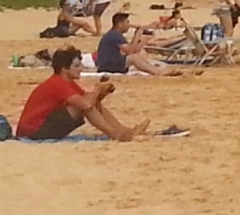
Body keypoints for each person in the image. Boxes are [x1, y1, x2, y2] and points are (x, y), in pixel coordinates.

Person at [16, 47, 149, 141]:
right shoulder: (58, 83)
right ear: (64, 69)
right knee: (85, 105)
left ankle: (123, 131)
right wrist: (97, 90)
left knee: (90, 101)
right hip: (33, 132)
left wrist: (102, 92)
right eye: (77, 66)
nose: (81, 69)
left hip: (41, 127)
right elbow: (86, 105)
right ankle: (116, 134)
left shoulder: (64, 82)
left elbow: (91, 101)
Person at [94, 11, 175, 77]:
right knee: (134, 58)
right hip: (108, 65)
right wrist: (137, 34)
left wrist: (143, 40)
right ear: (120, 24)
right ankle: (157, 72)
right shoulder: (115, 35)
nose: (129, 25)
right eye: (127, 22)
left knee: (137, 56)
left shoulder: (114, 34)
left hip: (108, 63)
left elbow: (134, 50)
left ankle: (156, 71)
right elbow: (130, 51)